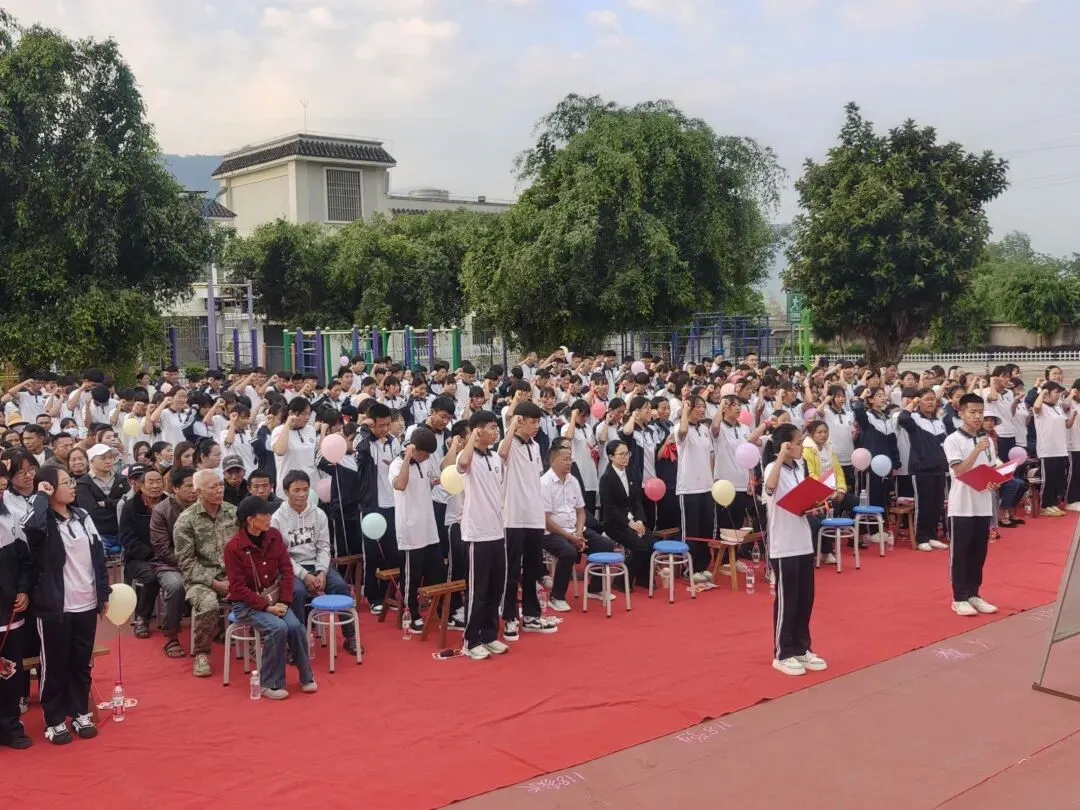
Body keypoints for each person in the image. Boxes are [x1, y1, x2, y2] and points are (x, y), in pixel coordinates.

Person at [23, 465, 110, 744]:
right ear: (49, 488)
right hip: (55, 606)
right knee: (54, 665)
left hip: (86, 602)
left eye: (72, 481)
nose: (72, 486)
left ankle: (80, 712)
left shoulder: (82, 516)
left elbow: (99, 556)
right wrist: (40, 496)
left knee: (81, 663)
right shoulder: (42, 520)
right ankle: (54, 719)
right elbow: (31, 527)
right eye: (64, 482)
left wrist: (103, 594)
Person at [224, 496, 316, 699]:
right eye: (265, 514)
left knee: (295, 626)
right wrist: (266, 607)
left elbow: (287, 570)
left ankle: (306, 676)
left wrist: (284, 601)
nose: (269, 517)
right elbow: (238, 588)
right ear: (250, 520)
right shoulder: (234, 548)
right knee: (278, 628)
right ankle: (269, 683)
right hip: (247, 604)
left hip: (276, 599)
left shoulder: (274, 536)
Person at [764, 423, 828, 677]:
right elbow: (770, 488)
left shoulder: (800, 468)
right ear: (786, 445)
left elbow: (801, 500)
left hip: (803, 541)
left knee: (805, 597)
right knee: (787, 599)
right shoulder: (772, 467)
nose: (802, 447)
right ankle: (783, 652)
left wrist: (815, 505)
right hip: (783, 544)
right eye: (799, 443)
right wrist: (781, 455)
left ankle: (802, 647)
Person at [272, 470, 358, 654]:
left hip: (318, 564)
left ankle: (350, 636)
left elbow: (324, 547)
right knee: (297, 592)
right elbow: (282, 556)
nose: (302, 494)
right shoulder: (277, 519)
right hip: (291, 569)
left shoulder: (318, 514)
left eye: (305, 489)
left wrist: (322, 572)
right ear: (286, 492)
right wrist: (304, 575)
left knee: (340, 586)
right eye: (296, 490)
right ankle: (296, 643)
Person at [499, 402, 557, 639]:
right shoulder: (509, 443)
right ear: (520, 420)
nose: (536, 426)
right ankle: (510, 617)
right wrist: (512, 425)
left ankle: (532, 615)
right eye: (532, 422)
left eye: (538, 422)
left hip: (534, 516)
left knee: (533, 568)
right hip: (513, 516)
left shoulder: (535, 445)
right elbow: (501, 454)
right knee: (512, 570)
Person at [174, 469, 237, 677]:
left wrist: (236, 579)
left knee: (260, 594)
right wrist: (214, 583)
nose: (220, 490)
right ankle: (201, 653)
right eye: (213, 487)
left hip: (233, 576)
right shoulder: (186, 520)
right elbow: (187, 562)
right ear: (199, 492)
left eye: (221, 485)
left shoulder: (233, 513)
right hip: (200, 580)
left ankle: (255, 643)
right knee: (208, 604)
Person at [456, 411, 508, 660]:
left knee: (496, 588)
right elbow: (463, 464)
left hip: (497, 531)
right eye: (491, 427)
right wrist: (471, 439)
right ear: (477, 431)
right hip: (476, 534)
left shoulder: (495, 457)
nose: (495, 431)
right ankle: (470, 640)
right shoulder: (467, 455)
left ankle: (489, 635)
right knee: (478, 591)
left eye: (496, 427)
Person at [540, 444, 618, 610]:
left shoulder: (573, 480)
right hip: (551, 532)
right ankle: (556, 597)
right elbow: (545, 520)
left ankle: (595, 589)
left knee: (606, 545)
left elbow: (581, 512)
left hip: (574, 530)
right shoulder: (544, 483)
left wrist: (579, 533)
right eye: (565, 459)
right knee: (568, 551)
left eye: (570, 459)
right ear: (553, 461)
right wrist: (571, 537)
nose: (569, 462)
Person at [943, 393, 1001, 617]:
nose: (977, 417)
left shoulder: (988, 441)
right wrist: (976, 450)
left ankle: (974, 593)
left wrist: (996, 481)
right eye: (972, 412)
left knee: (979, 552)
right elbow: (959, 471)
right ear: (961, 413)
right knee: (961, 553)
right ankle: (959, 598)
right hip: (961, 505)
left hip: (983, 503)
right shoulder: (953, 440)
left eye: (980, 412)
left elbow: (991, 469)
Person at [390, 428, 448, 633]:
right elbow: (400, 485)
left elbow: (435, 478)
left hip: (429, 529)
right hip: (410, 531)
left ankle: (440, 610)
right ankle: (410, 612)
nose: (427, 458)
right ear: (414, 449)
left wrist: (434, 481)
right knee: (411, 577)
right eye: (424, 454)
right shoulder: (397, 464)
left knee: (438, 573)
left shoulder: (425, 462)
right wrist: (407, 458)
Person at [149, 466, 197, 658]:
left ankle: (218, 626)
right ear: (175, 488)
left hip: (202, 562)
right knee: (176, 586)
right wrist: (190, 566)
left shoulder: (205, 505)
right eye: (188, 486)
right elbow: (163, 550)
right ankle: (171, 636)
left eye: (196, 485)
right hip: (170, 564)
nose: (194, 490)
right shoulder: (161, 511)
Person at [599, 439, 658, 589]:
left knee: (651, 542)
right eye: (621, 454)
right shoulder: (606, 478)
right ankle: (622, 580)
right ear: (611, 457)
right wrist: (629, 523)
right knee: (640, 546)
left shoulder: (631, 473)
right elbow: (610, 507)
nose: (626, 457)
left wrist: (640, 521)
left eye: (627, 453)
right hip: (615, 524)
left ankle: (643, 578)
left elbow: (637, 501)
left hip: (634, 520)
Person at [0, 474, 32, 749]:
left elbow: (25, 562)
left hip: (9, 612)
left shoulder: (11, 518)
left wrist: (23, 590)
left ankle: (11, 728)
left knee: (9, 671)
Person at [897, 388, 950, 552]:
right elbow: (902, 418)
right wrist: (912, 403)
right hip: (921, 469)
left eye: (932, 399)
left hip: (939, 468)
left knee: (937, 505)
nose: (930, 402)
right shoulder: (914, 418)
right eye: (926, 399)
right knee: (924, 505)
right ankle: (921, 538)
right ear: (919, 401)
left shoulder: (938, 421)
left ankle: (932, 536)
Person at [118, 465, 167, 639]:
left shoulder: (170, 504)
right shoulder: (130, 507)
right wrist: (150, 554)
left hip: (168, 555)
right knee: (150, 576)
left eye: (158, 481)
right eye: (150, 482)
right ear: (141, 486)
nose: (155, 486)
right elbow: (127, 539)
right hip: (140, 558)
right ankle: (142, 618)